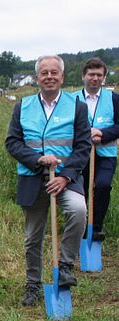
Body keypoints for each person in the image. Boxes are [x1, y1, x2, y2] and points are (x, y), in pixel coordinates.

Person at [5, 55, 91, 306]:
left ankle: (65, 265)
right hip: (32, 178)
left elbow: (83, 146)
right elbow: (12, 142)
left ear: (62, 77)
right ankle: (32, 284)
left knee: (78, 210)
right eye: (45, 73)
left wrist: (65, 176)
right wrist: (37, 159)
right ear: (37, 78)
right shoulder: (23, 106)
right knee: (33, 236)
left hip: (67, 177)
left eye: (55, 72)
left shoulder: (77, 106)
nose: (50, 76)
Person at [74, 58, 119, 241]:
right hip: (81, 153)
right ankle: (81, 227)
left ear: (104, 78)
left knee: (102, 186)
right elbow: (68, 126)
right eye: (91, 74)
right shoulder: (72, 99)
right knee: (81, 190)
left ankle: (97, 227)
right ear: (83, 76)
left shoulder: (114, 99)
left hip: (106, 154)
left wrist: (103, 133)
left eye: (99, 75)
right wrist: (87, 134)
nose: (95, 78)